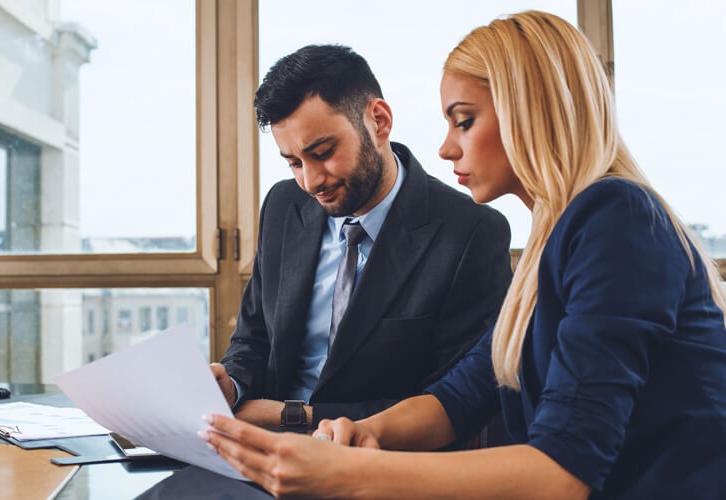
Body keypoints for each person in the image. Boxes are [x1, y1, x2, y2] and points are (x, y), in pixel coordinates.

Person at [200, 11, 726, 498]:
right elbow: (458, 398)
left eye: (464, 120)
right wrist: (360, 433)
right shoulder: (558, 238)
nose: (447, 148)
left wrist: (345, 472)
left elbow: (563, 473)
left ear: (531, 112)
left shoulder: (617, 217)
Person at [210, 44, 512, 429]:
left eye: (323, 152)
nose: (310, 181)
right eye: (294, 163)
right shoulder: (283, 206)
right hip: (263, 448)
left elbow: (453, 403)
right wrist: (231, 384)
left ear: (379, 121)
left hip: (383, 465)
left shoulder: (471, 232)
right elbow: (253, 340)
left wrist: (296, 418)